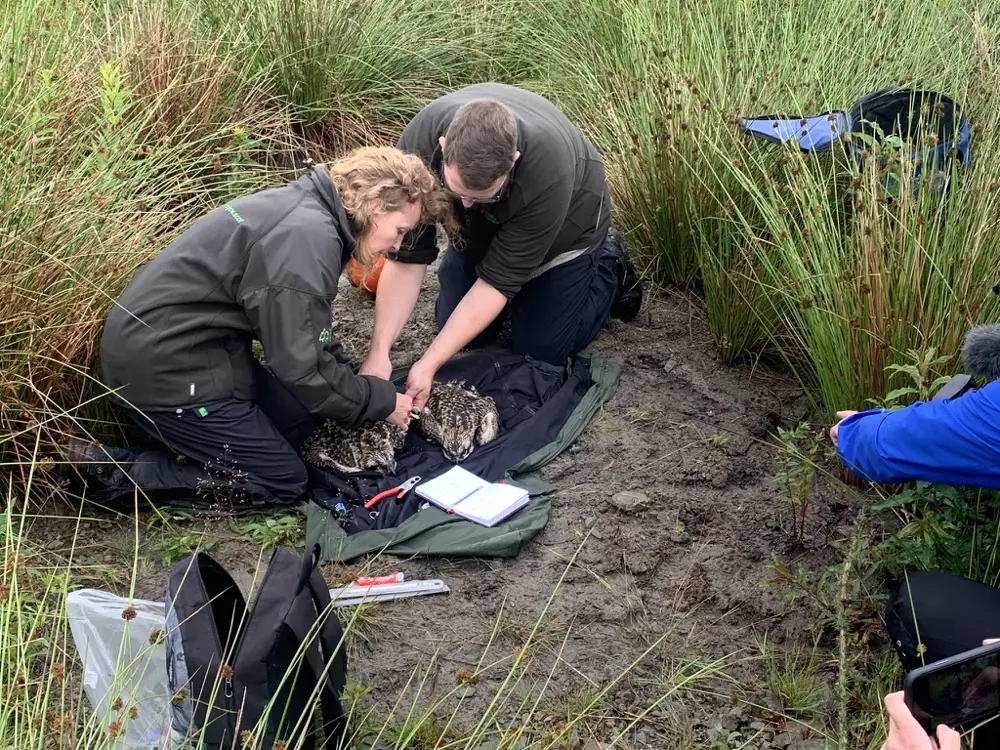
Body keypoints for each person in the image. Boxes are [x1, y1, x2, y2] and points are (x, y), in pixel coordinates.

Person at [67, 147, 456, 509]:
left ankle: (187, 439)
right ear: (375, 205)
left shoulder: (311, 211)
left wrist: (359, 379)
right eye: (400, 230)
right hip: (163, 370)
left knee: (301, 422)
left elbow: (304, 333)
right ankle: (111, 471)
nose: (397, 245)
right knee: (281, 479)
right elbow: (302, 369)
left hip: (198, 348)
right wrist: (382, 401)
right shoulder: (306, 242)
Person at [357, 83, 643, 411]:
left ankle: (609, 266)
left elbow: (496, 283)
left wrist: (429, 364)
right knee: (463, 331)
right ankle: (489, 268)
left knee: (540, 352)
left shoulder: (547, 171)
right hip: (486, 230)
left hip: (566, 232)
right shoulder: (417, 148)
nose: (465, 204)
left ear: (513, 161)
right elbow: (407, 259)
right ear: (443, 146)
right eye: (457, 191)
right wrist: (379, 352)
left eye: (480, 195)